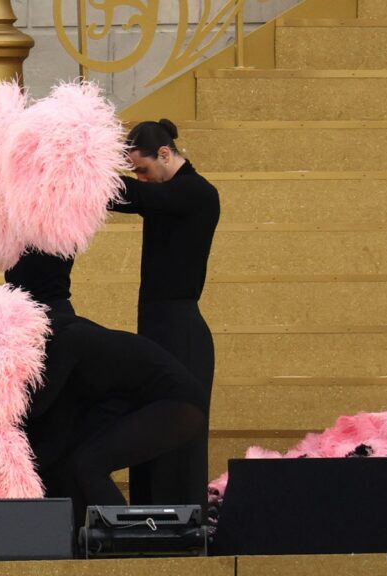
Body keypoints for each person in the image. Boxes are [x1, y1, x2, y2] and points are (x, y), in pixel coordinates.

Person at [5, 250, 205, 519]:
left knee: (88, 464)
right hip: (146, 399)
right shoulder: (62, 336)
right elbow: (54, 433)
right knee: (76, 463)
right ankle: (95, 544)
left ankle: (126, 544)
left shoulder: (67, 340)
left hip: (177, 401)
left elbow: (34, 406)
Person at [110, 119, 220, 511]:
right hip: (158, 326)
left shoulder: (197, 192)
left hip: (181, 329)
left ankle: (180, 523)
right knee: (150, 424)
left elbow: (132, 196)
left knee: (179, 430)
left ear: (166, 154)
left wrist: (85, 170)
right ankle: (149, 518)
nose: (141, 177)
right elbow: (131, 195)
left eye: (143, 168)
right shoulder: (170, 192)